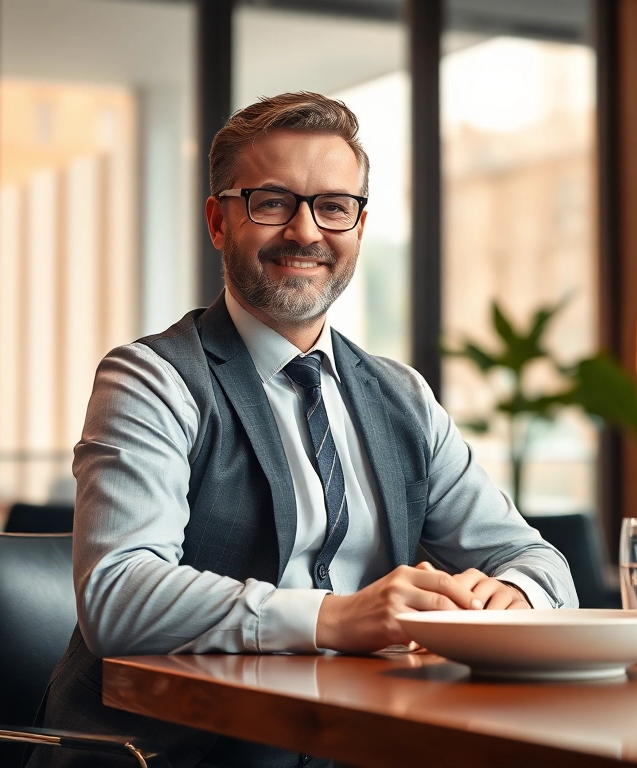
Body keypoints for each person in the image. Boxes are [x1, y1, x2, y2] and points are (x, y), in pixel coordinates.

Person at [29, 91, 577, 768]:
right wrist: (336, 618)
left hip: (361, 743)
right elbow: (118, 593)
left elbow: (540, 561)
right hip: (171, 753)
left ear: (359, 225)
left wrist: (512, 594)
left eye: (333, 206)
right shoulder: (150, 378)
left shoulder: (402, 396)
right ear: (218, 222)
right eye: (272, 201)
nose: (306, 231)